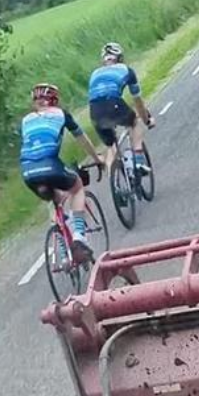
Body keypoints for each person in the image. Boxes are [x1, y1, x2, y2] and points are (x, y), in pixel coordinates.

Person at [19, 83, 104, 260]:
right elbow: (82, 139)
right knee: (77, 187)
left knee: (53, 200)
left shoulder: (26, 120)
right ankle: (79, 235)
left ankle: (64, 254)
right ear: (55, 100)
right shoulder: (61, 114)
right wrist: (97, 159)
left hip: (28, 172)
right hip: (50, 165)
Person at [88, 42, 154, 176]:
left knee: (111, 145)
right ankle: (139, 162)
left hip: (94, 110)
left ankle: (114, 182)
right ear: (120, 58)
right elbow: (138, 102)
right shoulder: (126, 70)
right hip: (113, 103)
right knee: (134, 122)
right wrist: (147, 120)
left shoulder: (95, 73)